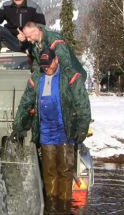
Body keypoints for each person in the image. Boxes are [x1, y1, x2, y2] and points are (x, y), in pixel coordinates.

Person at [11, 48, 91, 206]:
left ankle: (65, 208)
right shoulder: (36, 79)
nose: (46, 68)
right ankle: (52, 207)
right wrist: (18, 126)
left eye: (49, 64)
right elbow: (25, 104)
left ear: (56, 60)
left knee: (65, 171)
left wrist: (82, 128)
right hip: (45, 134)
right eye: (43, 65)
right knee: (49, 173)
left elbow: (83, 105)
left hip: (65, 133)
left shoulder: (70, 76)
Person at [0, 0, 46, 74]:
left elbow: (41, 25)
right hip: (12, 40)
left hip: (29, 42)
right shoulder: (6, 6)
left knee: (38, 37)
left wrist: (27, 36)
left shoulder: (34, 7)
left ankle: (34, 62)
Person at [22, 21, 87, 78]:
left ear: (36, 31)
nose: (28, 39)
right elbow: (37, 64)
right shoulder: (34, 46)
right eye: (26, 37)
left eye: (29, 36)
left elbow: (65, 62)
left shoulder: (54, 39)